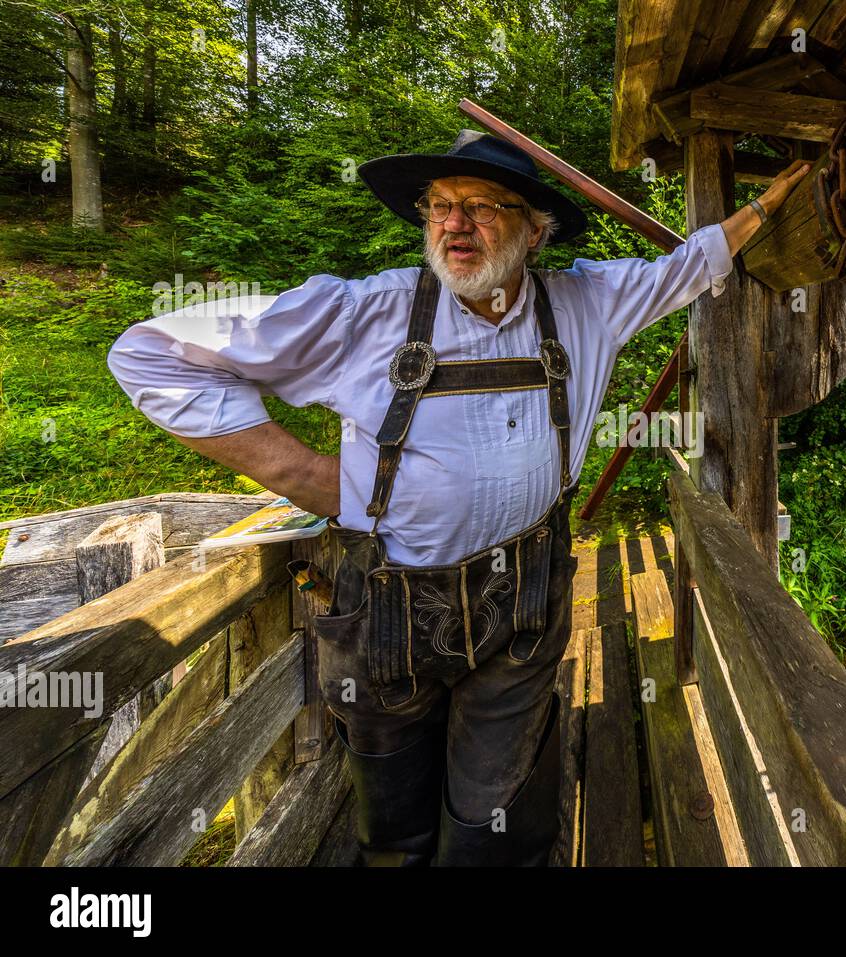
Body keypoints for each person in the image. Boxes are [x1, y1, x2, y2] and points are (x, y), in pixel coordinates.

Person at [107, 129, 809, 866]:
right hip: (389, 617)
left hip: (524, 608)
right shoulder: (365, 315)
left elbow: (687, 266)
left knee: (493, 828)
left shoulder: (587, 305)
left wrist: (761, 209)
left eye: (480, 205)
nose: (452, 222)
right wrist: (308, 476)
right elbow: (150, 354)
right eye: (438, 205)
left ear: (536, 230)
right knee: (392, 829)